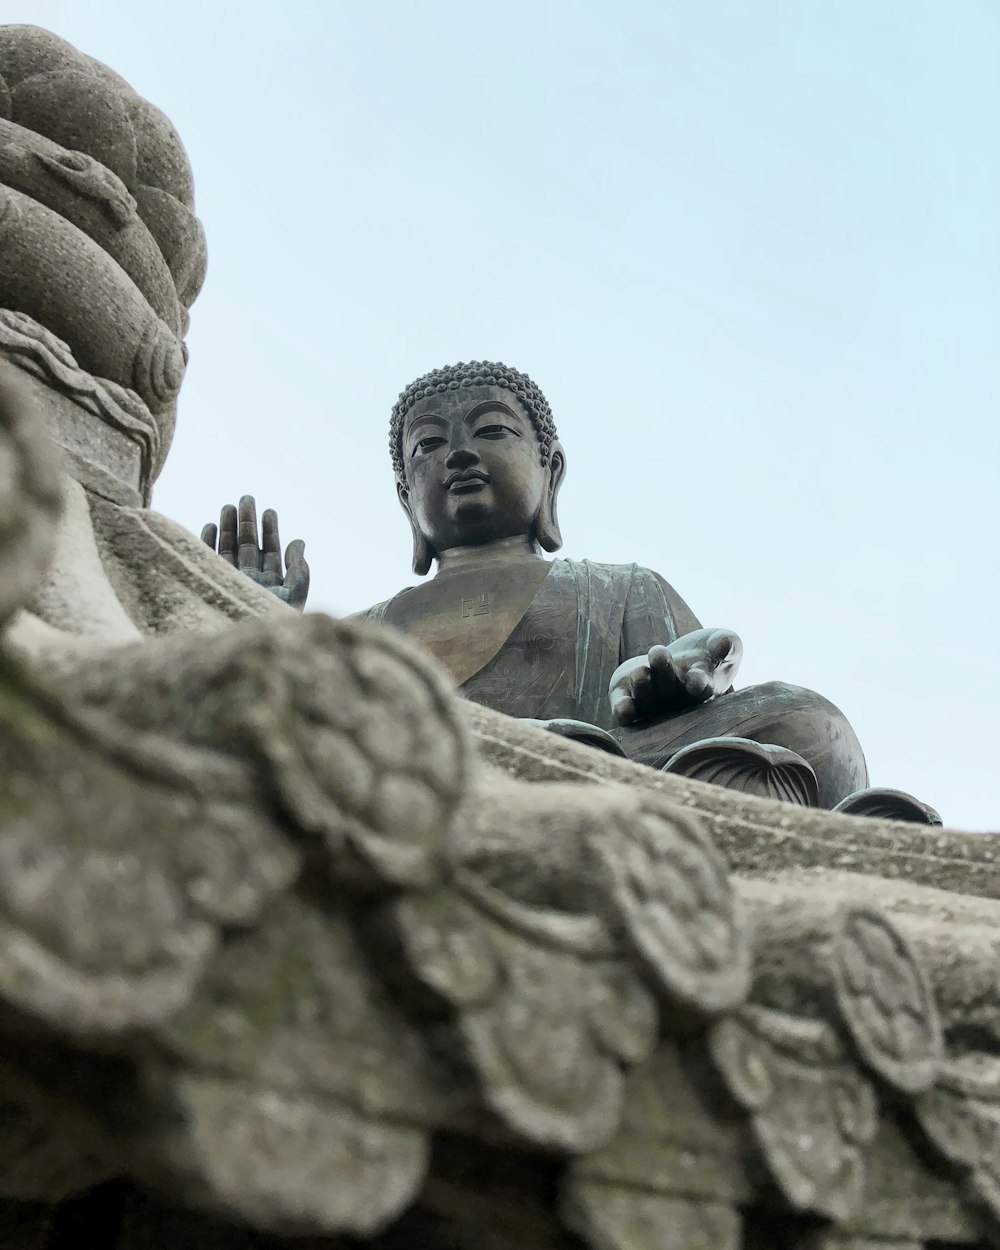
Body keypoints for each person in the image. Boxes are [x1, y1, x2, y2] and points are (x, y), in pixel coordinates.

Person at [204, 361, 936, 818]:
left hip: (597, 768)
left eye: (490, 430)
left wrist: (675, 679)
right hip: (404, 781)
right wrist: (249, 624)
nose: (457, 453)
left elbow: (673, 691)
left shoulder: (618, 589)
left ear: (550, 473)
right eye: (427, 445)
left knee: (811, 728)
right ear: (406, 501)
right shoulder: (357, 631)